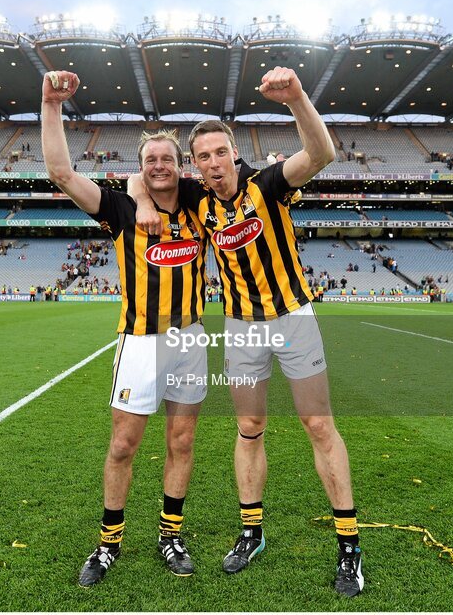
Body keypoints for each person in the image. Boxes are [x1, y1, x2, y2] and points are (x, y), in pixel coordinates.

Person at [129, 67, 363, 597]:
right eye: (203, 157)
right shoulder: (196, 200)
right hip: (240, 328)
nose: (214, 164)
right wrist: (143, 200)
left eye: (221, 153)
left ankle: (349, 546)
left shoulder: (268, 184)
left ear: (235, 153)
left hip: (293, 318)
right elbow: (140, 176)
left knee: (318, 426)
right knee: (250, 427)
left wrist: (297, 98)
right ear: (196, 165)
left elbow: (322, 153)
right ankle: (251, 531)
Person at [42, 70, 209, 588]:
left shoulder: (201, 204)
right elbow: (62, 173)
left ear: (180, 167)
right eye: (149, 162)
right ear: (139, 169)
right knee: (123, 445)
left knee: (181, 441)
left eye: (167, 159)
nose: (159, 166)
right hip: (139, 342)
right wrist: (51, 106)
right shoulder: (119, 208)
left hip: (190, 338)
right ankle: (109, 541)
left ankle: (170, 534)